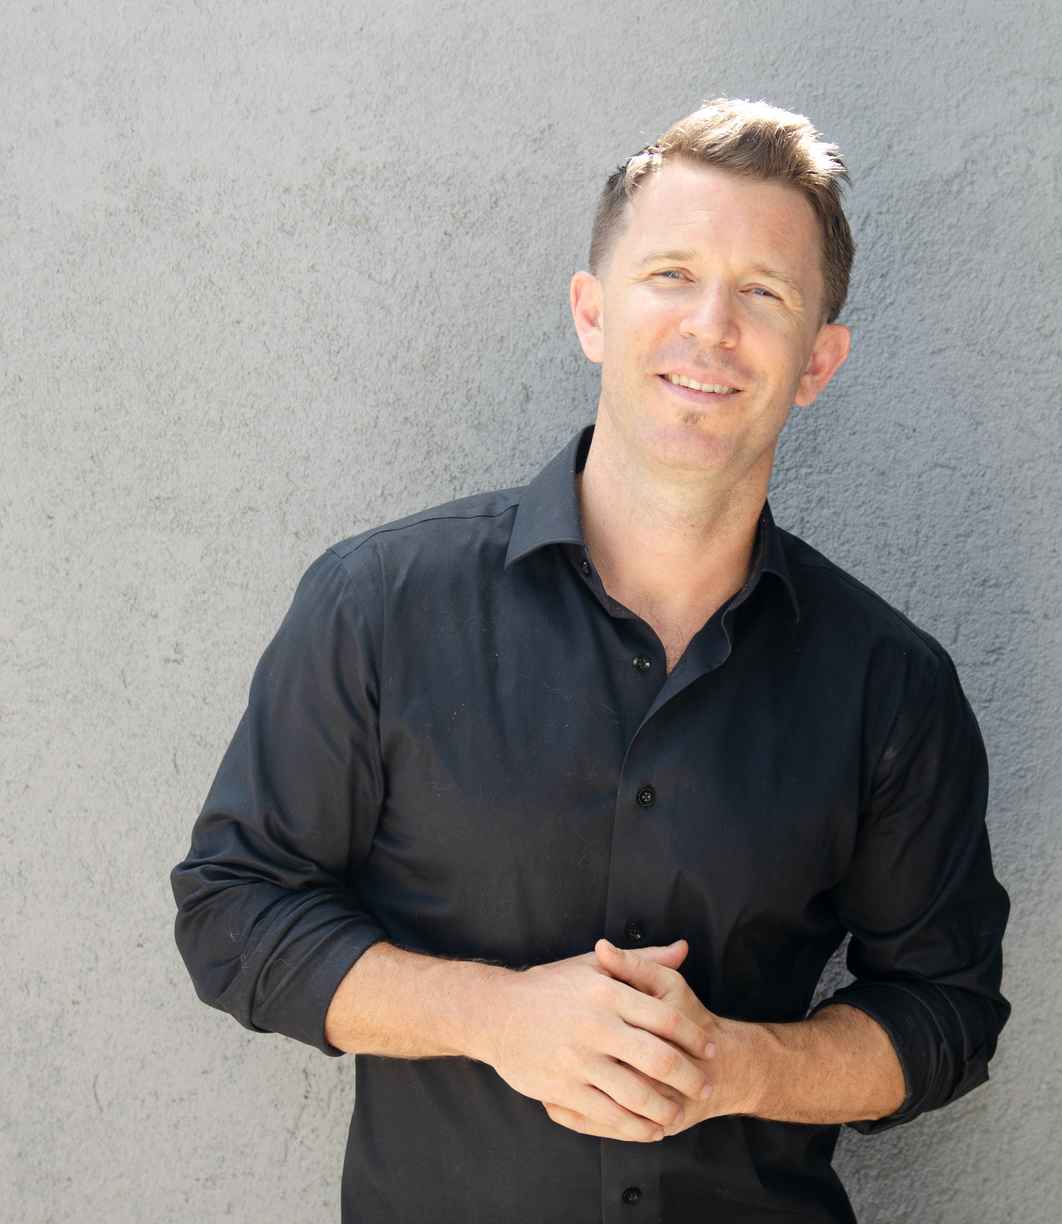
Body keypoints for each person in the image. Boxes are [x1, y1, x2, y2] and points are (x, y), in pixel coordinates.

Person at [171, 96, 1011, 1223]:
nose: (711, 326)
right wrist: (494, 1016)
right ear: (592, 313)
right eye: (670, 274)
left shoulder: (891, 686)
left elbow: (946, 1014)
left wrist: (734, 1068)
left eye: (762, 294)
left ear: (817, 361)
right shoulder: (378, 606)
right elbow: (233, 912)